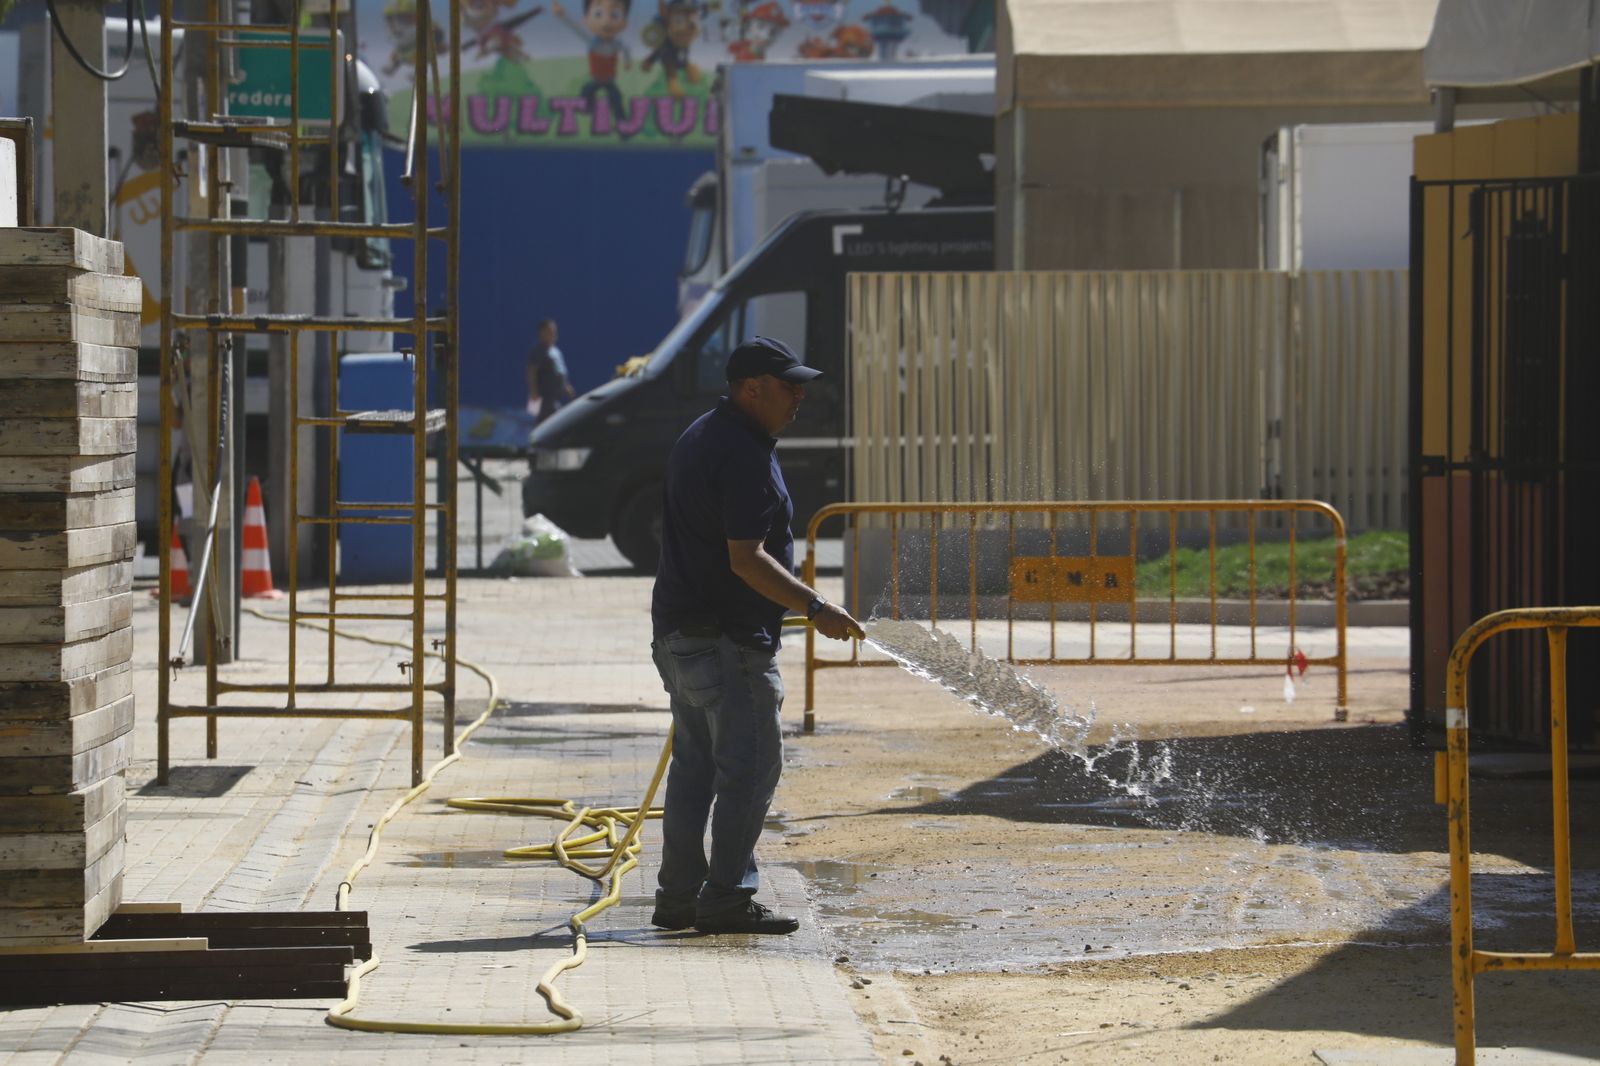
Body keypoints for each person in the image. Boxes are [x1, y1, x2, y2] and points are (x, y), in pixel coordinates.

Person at [649, 336, 862, 935]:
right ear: (751, 389)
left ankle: (679, 897)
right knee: (751, 769)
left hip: (682, 635)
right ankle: (725, 898)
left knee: (695, 770)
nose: (798, 397)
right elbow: (746, 558)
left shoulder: (703, 435)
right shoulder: (741, 451)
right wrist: (815, 606)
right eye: (788, 387)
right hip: (728, 643)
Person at [526, 318, 575, 420]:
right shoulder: (538, 351)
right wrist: (533, 392)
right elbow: (531, 371)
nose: (553, 333)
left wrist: (566, 386)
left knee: (552, 420)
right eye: (549, 331)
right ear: (541, 333)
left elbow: (559, 371)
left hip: (555, 398)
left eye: (554, 331)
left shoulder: (555, 351)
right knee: (547, 422)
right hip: (543, 399)